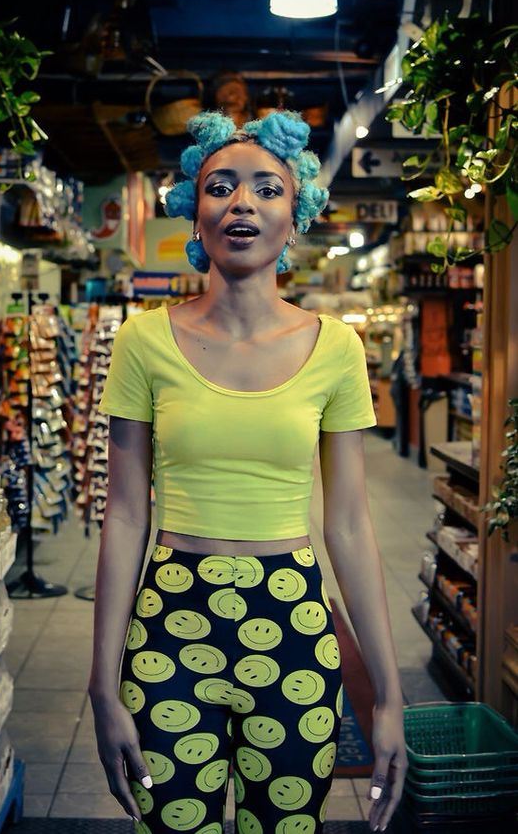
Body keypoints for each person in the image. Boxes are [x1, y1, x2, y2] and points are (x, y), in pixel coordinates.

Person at [89, 110, 408, 834]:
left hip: (294, 618)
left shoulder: (337, 348)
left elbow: (351, 524)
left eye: (267, 189)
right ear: (193, 215)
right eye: (221, 186)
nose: (242, 203)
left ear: (294, 218)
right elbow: (126, 515)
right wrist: (102, 685)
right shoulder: (143, 342)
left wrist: (389, 695)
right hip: (169, 627)